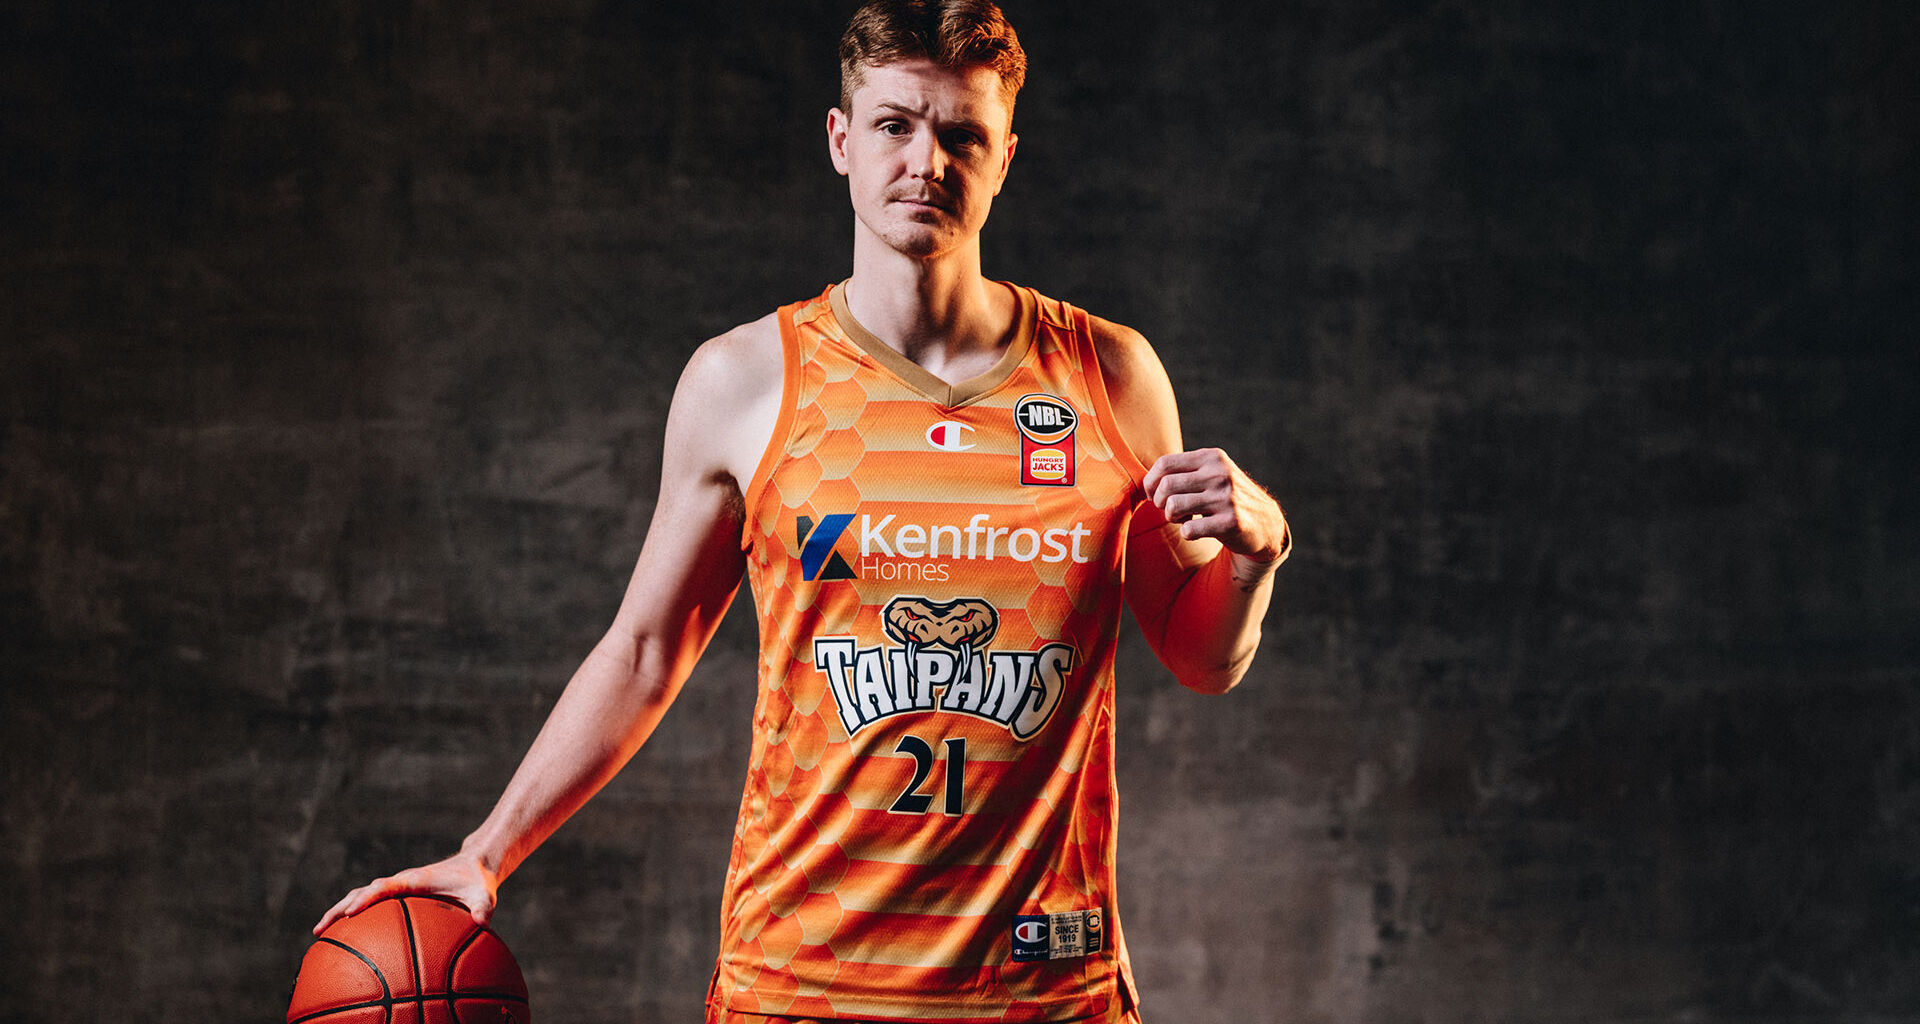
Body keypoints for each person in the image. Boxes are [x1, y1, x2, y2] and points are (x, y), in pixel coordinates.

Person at [314, 2, 1290, 1021]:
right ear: (840, 140)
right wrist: (486, 852)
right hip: (799, 980)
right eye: (894, 124)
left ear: (1005, 157)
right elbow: (645, 651)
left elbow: (1200, 657)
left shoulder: (1109, 376)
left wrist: (1253, 561)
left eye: (963, 135)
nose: (926, 162)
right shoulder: (744, 381)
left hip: (1042, 987)